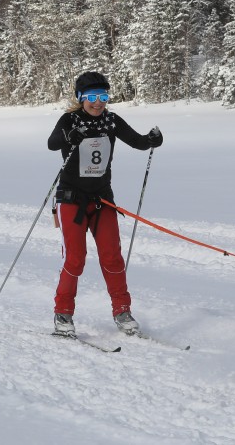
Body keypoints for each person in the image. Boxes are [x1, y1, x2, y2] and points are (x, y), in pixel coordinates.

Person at [47, 70, 163, 336]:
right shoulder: (69, 120)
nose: (98, 102)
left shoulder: (111, 120)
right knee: (75, 259)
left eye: (103, 96)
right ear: (80, 97)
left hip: (102, 201)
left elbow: (137, 141)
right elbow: (52, 144)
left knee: (112, 257)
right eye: (91, 97)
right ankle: (63, 314)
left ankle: (122, 311)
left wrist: (152, 140)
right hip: (71, 200)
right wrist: (69, 137)